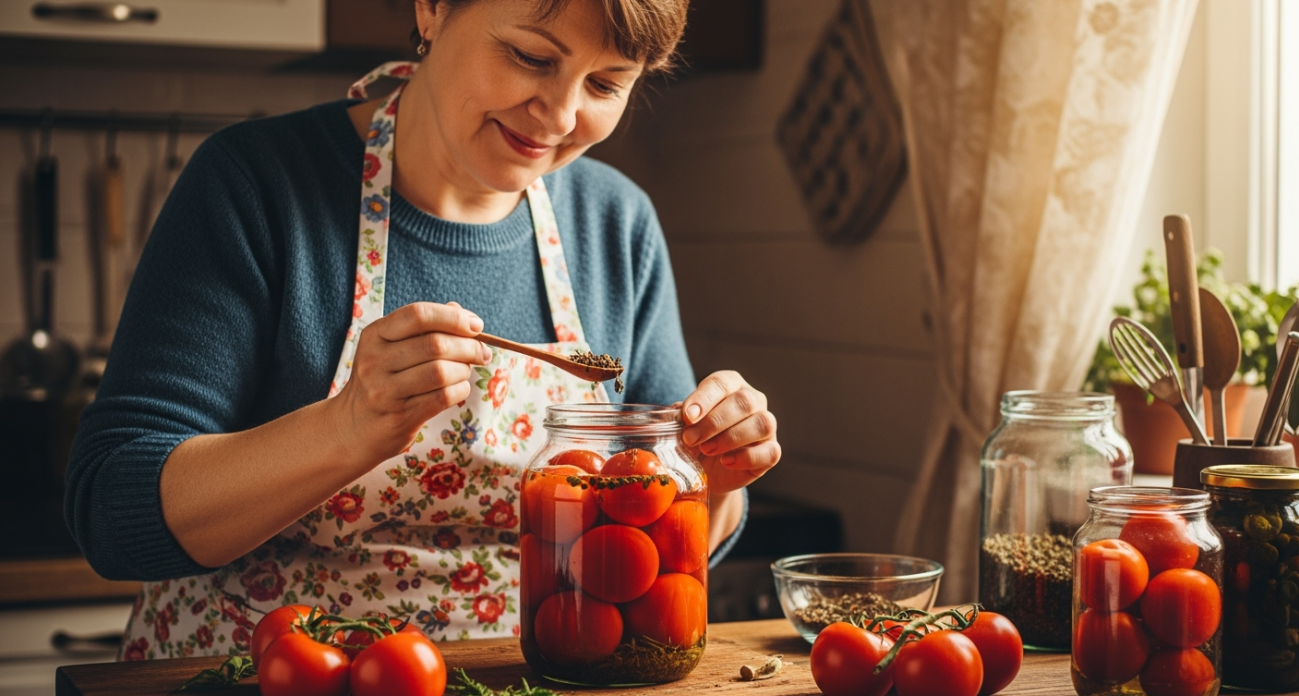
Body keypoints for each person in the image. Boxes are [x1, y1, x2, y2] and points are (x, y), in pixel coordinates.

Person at [65, 0, 781, 658]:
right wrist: (346, 428)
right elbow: (111, 512)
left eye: (605, 85)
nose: (560, 115)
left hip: (523, 675)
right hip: (257, 672)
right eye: (533, 58)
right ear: (433, 9)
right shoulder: (254, 184)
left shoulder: (615, 224)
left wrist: (713, 480)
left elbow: (656, 554)